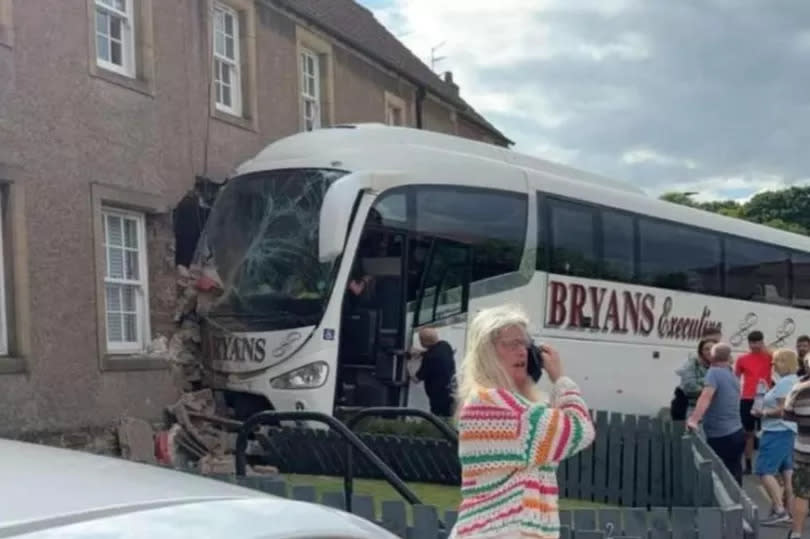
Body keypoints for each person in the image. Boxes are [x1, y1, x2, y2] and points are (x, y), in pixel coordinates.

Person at [449, 305, 595, 538]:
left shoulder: (503, 403)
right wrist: (560, 378)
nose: (523, 352)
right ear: (487, 352)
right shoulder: (495, 404)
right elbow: (580, 429)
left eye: (525, 344)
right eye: (511, 343)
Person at [688, 342, 746, 485]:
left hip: (721, 434)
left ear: (713, 356)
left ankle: (729, 505)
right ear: (729, 357)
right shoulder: (732, 375)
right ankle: (740, 503)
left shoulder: (714, 372)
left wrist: (694, 420)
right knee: (734, 471)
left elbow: (706, 397)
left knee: (720, 475)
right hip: (737, 431)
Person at [753, 349, 800, 525]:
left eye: (776, 361)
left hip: (777, 431)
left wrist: (762, 412)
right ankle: (789, 511)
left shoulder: (785, 383)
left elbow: (782, 410)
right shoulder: (792, 381)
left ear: (785, 362)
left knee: (764, 470)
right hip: (787, 431)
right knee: (787, 473)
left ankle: (780, 510)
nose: (773, 365)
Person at [735, 330, 774, 474]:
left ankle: (766, 464)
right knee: (748, 433)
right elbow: (736, 378)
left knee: (767, 432)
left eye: (758, 342)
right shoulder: (742, 359)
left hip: (766, 398)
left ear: (762, 342)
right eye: (752, 342)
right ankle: (748, 464)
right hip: (747, 399)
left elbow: (780, 357)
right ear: (749, 343)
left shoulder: (770, 357)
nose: (755, 345)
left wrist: (765, 348)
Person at [409, 328, 456, 420]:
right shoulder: (445, 345)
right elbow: (435, 352)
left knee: (438, 420)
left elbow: (416, 379)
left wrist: (409, 364)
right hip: (452, 391)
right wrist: (420, 353)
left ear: (423, 342)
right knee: (450, 418)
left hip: (438, 397)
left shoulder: (430, 358)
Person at [784, 373, 810, 539]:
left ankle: (796, 533)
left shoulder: (798, 389)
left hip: (804, 450)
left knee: (802, 493)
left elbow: (787, 415)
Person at [675, 332, 720, 418]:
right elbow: (690, 388)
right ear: (701, 351)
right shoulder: (691, 365)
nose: (710, 352)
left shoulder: (722, 367)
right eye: (706, 349)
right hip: (695, 410)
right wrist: (712, 388)